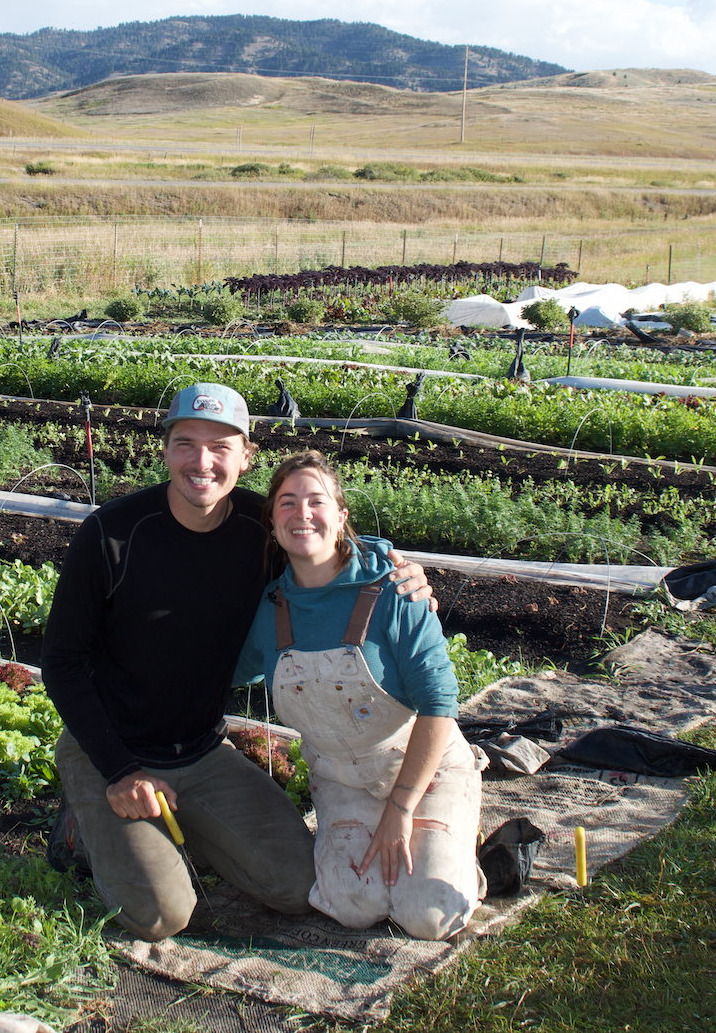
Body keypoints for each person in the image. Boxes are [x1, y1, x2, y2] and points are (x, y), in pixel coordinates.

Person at [41, 384, 432, 942]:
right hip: (112, 751)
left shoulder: (258, 527)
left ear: (246, 457)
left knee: (298, 887)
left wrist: (398, 568)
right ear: (166, 451)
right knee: (161, 916)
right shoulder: (112, 534)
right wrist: (120, 770)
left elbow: (327, 540)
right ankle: (84, 820)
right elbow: (61, 660)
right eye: (186, 444)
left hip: (201, 752)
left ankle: (180, 828)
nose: (203, 462)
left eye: (221, 447)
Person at [231, 450, 482, 940]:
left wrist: (401, 811)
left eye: (316, 501)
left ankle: (457, 823)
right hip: (342, 779)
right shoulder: (269, 610)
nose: (302, 514)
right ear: (272, 522)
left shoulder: (394, 591)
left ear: (341, 515)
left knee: (429, 915)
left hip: (422, 771)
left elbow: (438, 706)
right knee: (351, 904)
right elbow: (222, 674)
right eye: (286, 503)